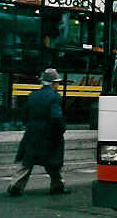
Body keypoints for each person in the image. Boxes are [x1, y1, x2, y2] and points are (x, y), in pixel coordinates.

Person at [7, 68, 70, 196]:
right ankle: (57, 185)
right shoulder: (55, 97)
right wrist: (62, 128)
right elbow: (56, 116)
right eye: (57, 83)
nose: (58, 85)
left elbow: (24, 114)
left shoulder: (32, 95)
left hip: (32, 133)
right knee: (53, 163)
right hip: (49, 135)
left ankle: (15, 185)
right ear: (53, 83)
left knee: (27, 161)